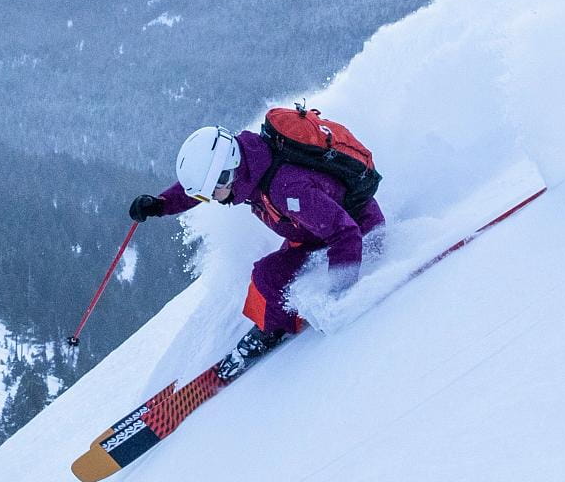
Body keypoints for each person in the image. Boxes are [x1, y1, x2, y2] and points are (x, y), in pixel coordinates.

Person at [128, 122, 385, 352]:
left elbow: (345, 233)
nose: (210, 201)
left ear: (226, 176)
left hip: (359, 234)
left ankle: (282, 329)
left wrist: (340, 295)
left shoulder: (288, 190)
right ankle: (275, 327)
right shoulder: (251, 161)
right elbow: (205, 179)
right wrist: (161, 205)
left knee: (268, 277)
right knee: (267, 276)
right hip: (313, 233)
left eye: (209, 195)